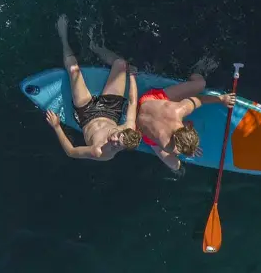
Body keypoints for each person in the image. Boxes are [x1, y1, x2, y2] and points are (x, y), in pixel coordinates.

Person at [87, 42, 236, 171]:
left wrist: (221, 99)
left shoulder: (179, 110)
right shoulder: (169, 146)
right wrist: (190, 151)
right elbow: (177, 150)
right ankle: (193, 73)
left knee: (200, 85)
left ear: (186, 128)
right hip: (139, 126)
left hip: (149, 101)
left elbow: (199, 100)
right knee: (176, 166)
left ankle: (196, 72)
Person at [42, 15, 141, 161]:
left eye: (117, 146)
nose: (113, 141)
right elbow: (132, 102)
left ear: (123, 148)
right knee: (121, 64)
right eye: (117, 137)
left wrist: (57, 126)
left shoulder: (100, 152)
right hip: (110, 110)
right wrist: (131, 76)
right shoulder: (129, 127)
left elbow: (71, 151)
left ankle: (63, 37)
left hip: (86, 113)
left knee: (74, 70)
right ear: (123, 132)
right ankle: (96, 48)